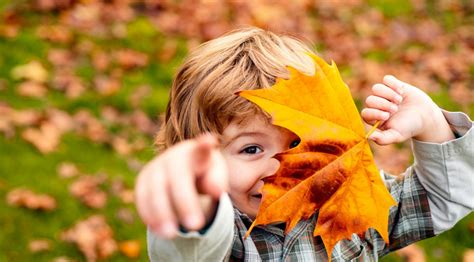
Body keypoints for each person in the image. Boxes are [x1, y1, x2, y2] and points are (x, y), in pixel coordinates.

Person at [135, 27, 473, 261]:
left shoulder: (347, 201)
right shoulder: (227, 238)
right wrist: (194, 202)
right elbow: (188, 250)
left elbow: (442, 196)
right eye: (251, 149)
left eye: (298, 142)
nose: (280, 164)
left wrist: (431, 123)